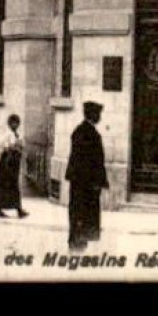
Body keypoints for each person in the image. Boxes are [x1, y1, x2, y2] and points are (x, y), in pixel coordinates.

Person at [65, 101, 108, 250]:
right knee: (81, 212)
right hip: (85, 183)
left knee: (79, 212)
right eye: (98, 114)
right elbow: (90, 161)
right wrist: (97, 181)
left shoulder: (81, 131)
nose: (100, 117)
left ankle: (78, 241)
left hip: (81, 181)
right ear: (92, 114)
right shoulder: (88, 133)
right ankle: (76, 243)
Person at [0, 113, 29, 219]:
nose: (15, 125)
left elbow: (21, 145)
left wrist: (19, 148)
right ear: (9, 124)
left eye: (17, 123)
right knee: (5, 185)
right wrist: (15, 148)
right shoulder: (7, 134)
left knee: (13, 185)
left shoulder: (17, 134)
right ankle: (3, 209)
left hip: (14, 162)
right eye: (13, 123)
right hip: (7, 162)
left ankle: (17, 209)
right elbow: (6, 146)